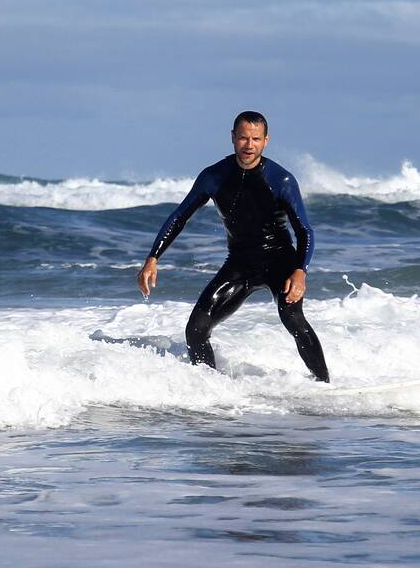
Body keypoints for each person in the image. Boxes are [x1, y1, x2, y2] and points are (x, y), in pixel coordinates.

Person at [136, 111, 330, 382]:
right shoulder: (214, 176)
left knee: (293, 320)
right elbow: (180, 216)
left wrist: (300, 271)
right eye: (243, 138)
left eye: (255, 139)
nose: (249, 145)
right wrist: (153, 257)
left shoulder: (281, 180)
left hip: (280, 263)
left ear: (266, 141)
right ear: (232, 138)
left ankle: (324, 384)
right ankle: (211, 387)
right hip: (239, 265)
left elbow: (304, 231)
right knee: (196, 330)